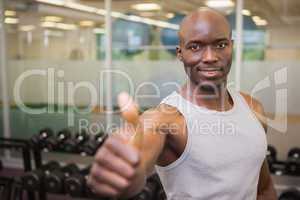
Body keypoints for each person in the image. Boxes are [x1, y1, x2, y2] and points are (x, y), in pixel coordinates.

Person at [87, 8, 277, 200]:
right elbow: (140, 162)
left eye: (220, 44)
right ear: (180, 53)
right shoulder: (165, 118)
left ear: (231, 46)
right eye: (195, 47)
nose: (210, 57)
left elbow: (264, 188)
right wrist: (128, 175)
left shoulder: (253, 108)